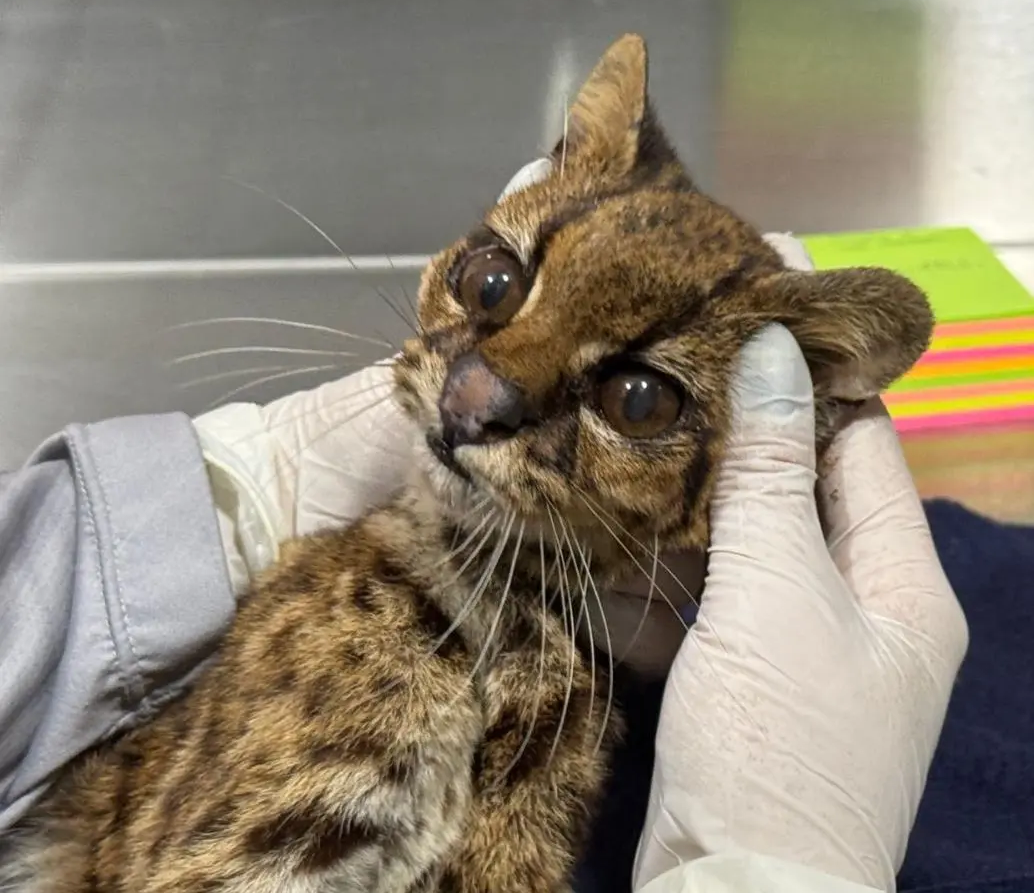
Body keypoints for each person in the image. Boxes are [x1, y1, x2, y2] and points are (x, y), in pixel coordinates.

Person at [0, 170, 967, 891]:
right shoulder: (360, 627)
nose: (474, 396)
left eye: (637, 398)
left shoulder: (588, 692)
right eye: (495, 285)